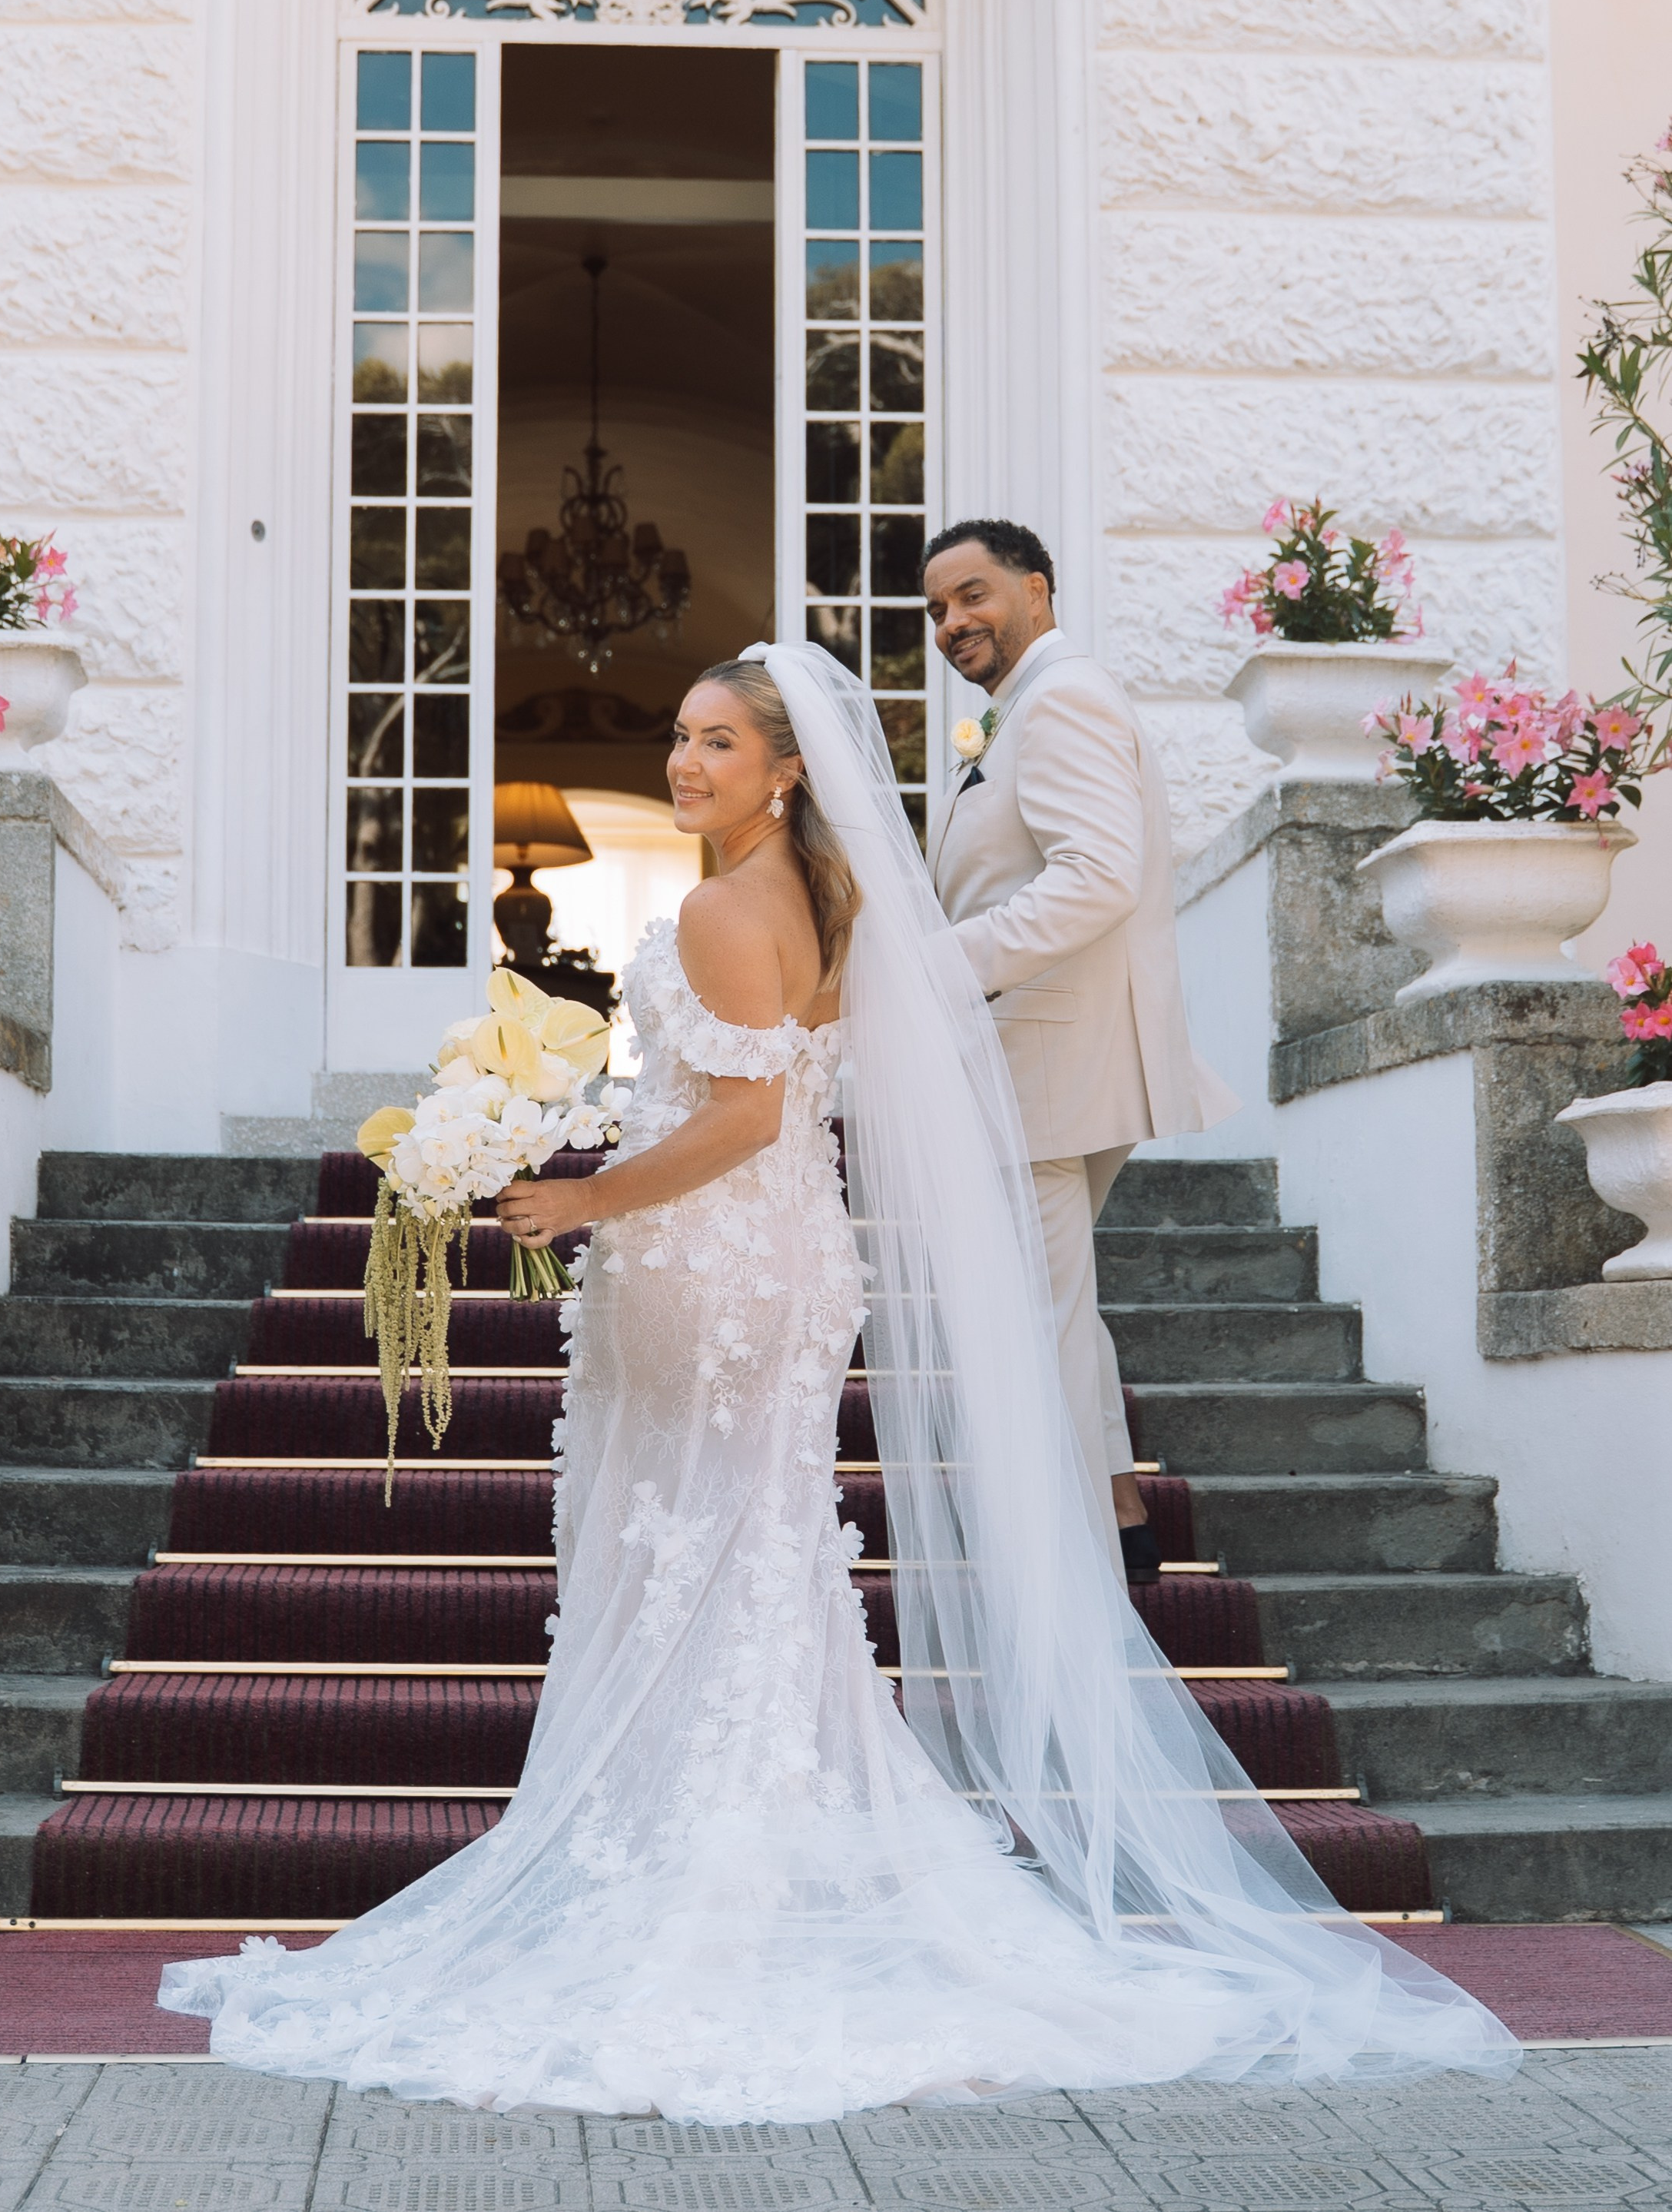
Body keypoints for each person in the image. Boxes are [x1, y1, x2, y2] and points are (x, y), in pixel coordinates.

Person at [160, 646, 1513, 2117]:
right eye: (679, 739)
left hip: (717, 1259)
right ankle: (739, 1834)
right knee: (751, 1552)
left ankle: (699, 1852)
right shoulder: (814, 897)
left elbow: (740, 1114)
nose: (687, 764)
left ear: (787, 768)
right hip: (770, 1256)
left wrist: (580, 1202)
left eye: (718, 744)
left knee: (700, 1548)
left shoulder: (723, 907)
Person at [924, 520, 1235, 1579]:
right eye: (935, 610)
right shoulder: (1028, 711)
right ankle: (1117, 1513)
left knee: (1029, 1306)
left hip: (1045, 1060)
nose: (952, 621)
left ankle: (1061, 1553)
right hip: (1043, 1055)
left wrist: (940, 967)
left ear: (1037, 589)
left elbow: (1097, 876)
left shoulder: (1063, 698)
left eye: (972, 594)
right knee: (1053, 1298)